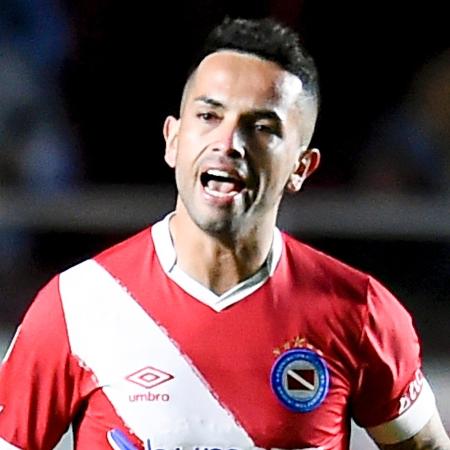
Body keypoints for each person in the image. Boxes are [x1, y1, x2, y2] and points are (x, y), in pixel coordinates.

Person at [0, 16, 449, 450]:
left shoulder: (359, 311)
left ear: (300, 167)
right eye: (209, 116)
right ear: (173, 139)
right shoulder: (79, 303)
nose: (229, 142)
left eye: (262, 127)